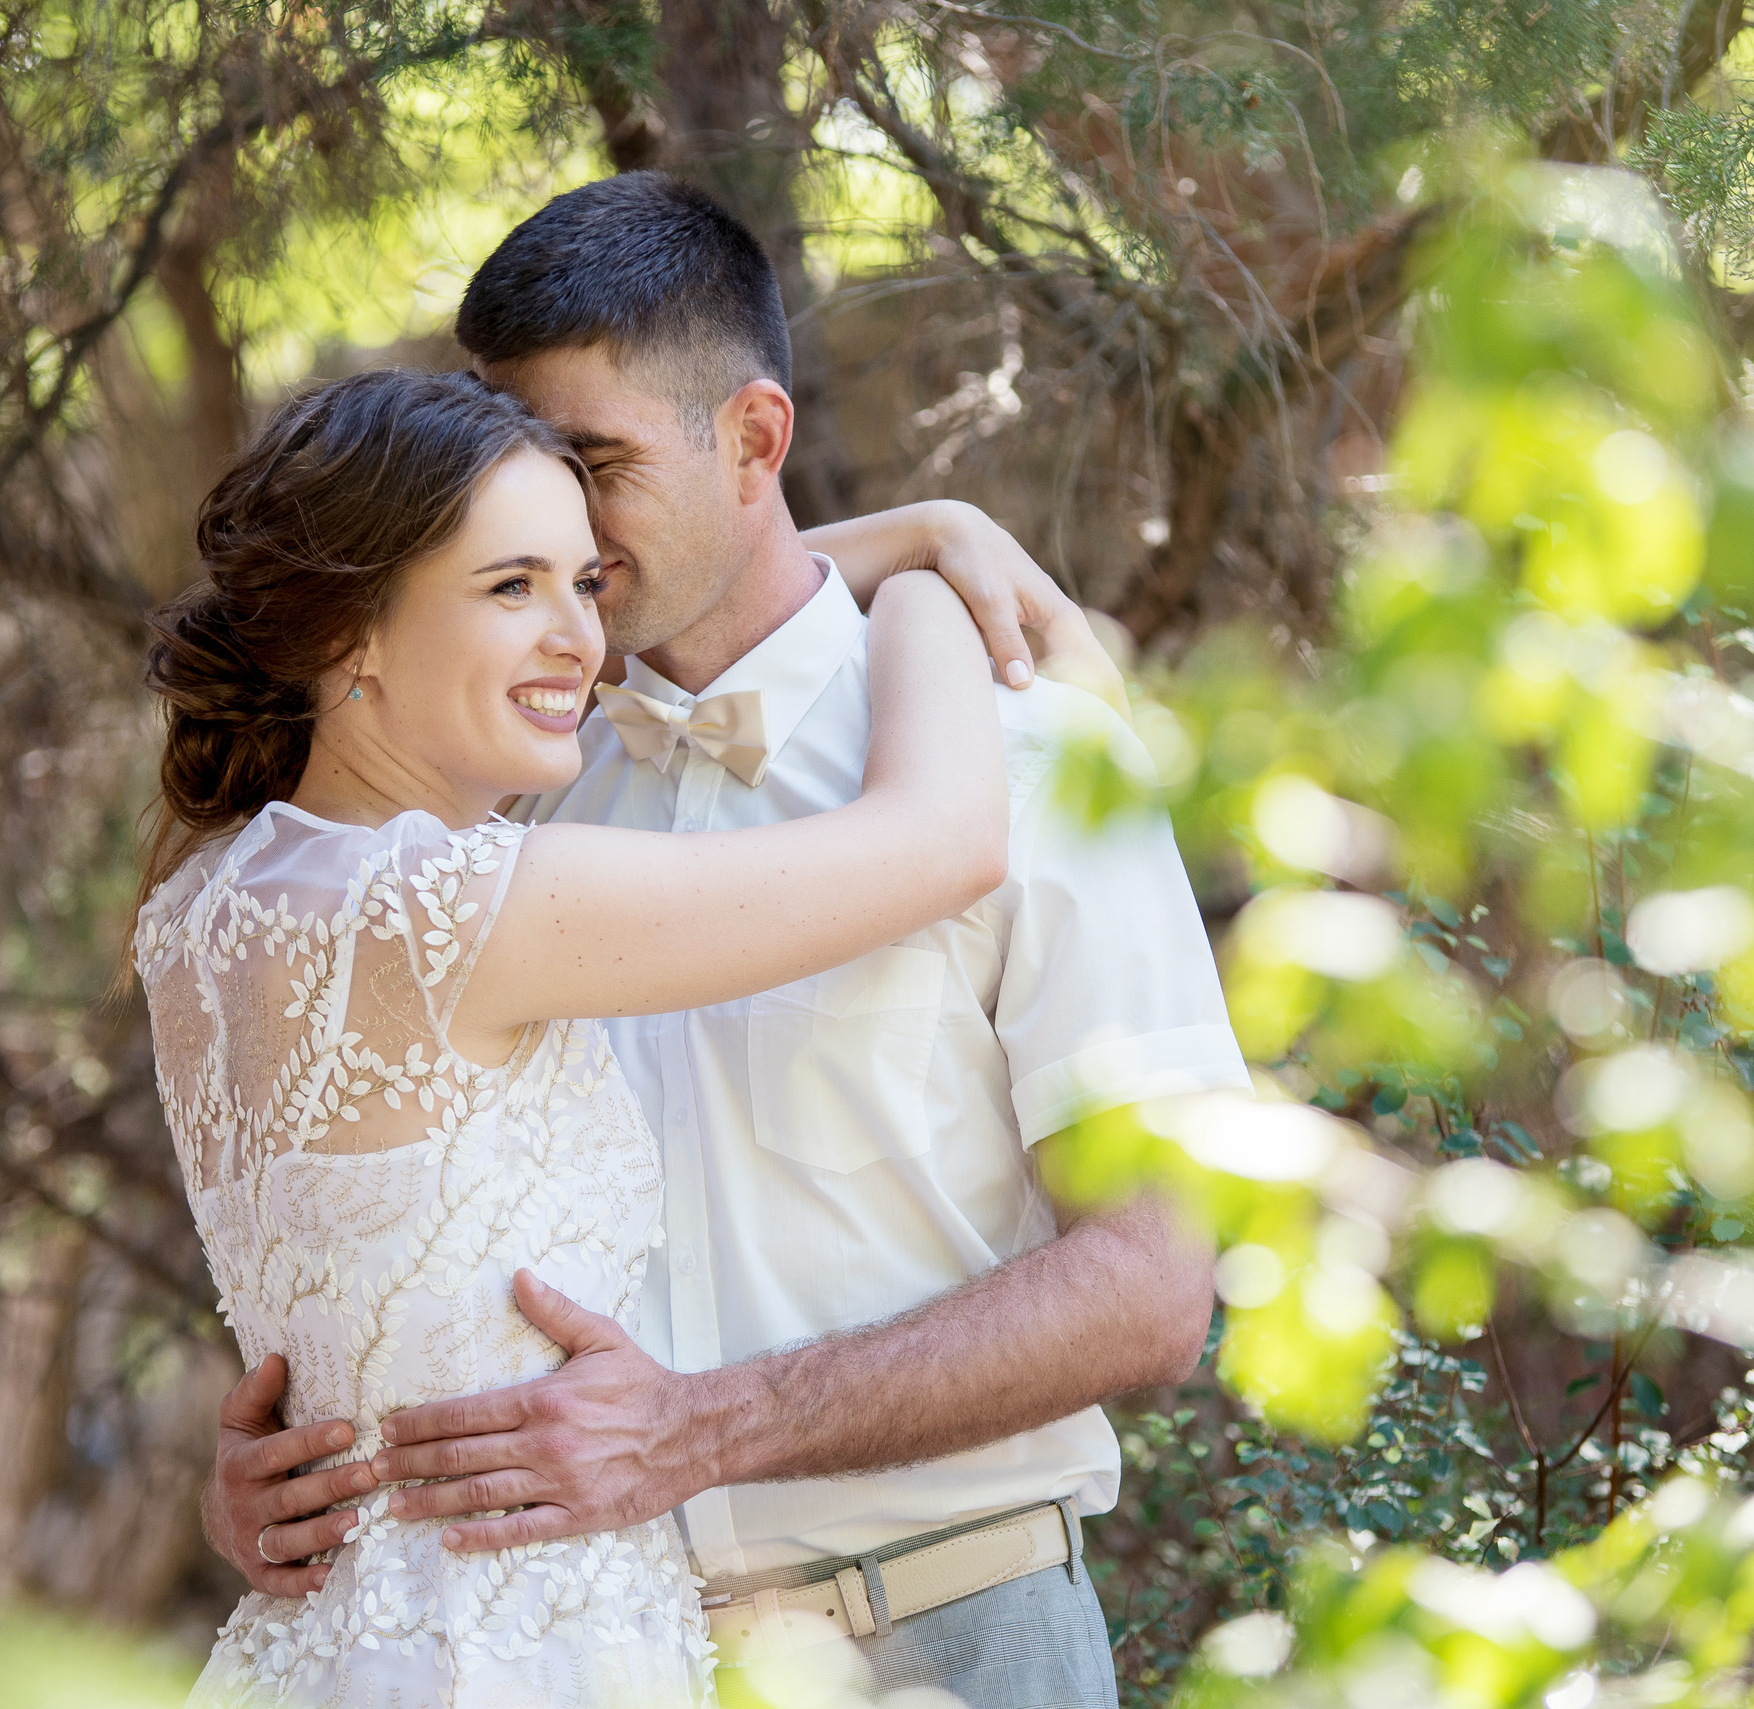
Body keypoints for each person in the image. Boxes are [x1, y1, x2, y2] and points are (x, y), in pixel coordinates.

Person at [201, 173, 1254, 1708]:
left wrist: (711, 1425)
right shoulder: (507, 802)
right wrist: (264, 1480)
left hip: (948, 1639)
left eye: (596, 466)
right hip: (593, 1657)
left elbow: (1155, 1283)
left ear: (753, 440)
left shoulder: (1025, 756)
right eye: (523, 469)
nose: (553, 520)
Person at [136, 364, 1014, 1705]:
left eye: (585, 584)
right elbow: (944, 837)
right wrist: (933, 577)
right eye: (511, 588)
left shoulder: (206, 903)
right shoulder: (469, 905)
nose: (580, 640)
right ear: (351, 633)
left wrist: (893, 532)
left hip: (334, 1644)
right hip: (522, 1652)